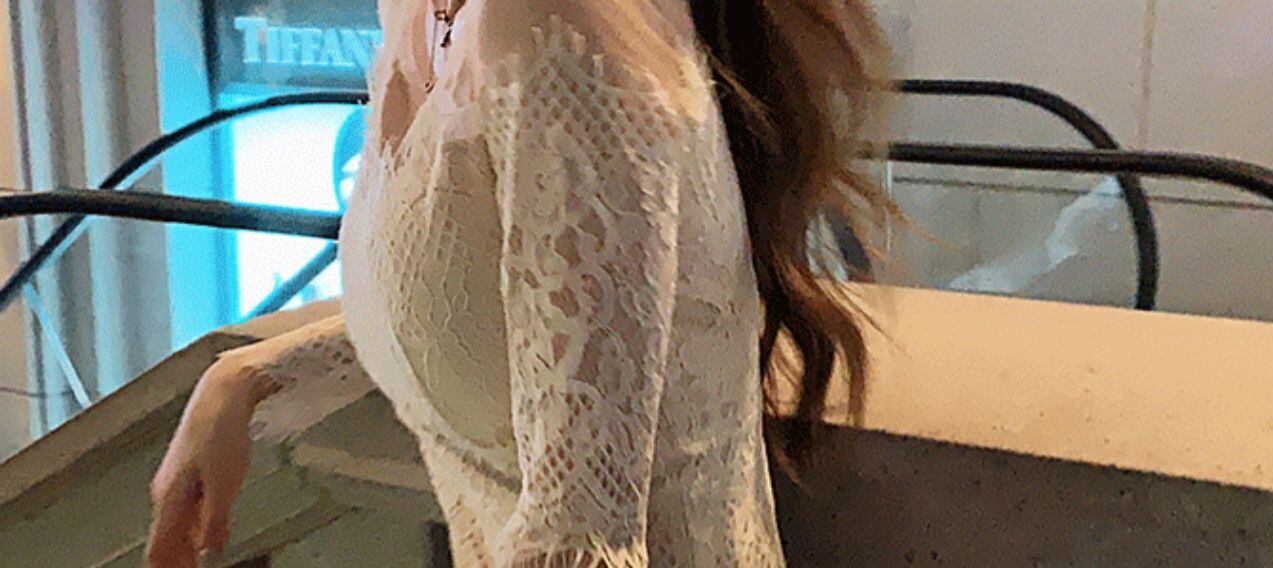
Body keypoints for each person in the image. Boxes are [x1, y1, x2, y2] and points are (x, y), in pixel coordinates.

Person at [146, 0, 897, 565]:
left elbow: (584, 542)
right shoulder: (429, 13)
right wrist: (249, 376)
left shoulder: (553, 21)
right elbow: (487, 298)